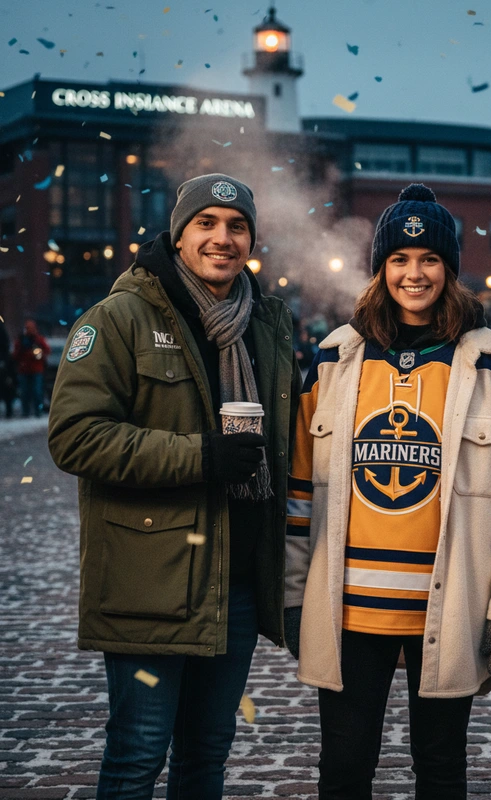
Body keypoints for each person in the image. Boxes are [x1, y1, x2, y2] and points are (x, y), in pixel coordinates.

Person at [284, 184, 491, 799]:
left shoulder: (490, 366)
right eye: (399, 259)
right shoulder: (333, 361)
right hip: (349, 610)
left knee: (441, 768)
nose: (414, 273)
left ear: (449, 270)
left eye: (430, 259)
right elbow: (299, 493)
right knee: (344, 769)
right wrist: (294, 594)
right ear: (381, 269)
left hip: (450, 605)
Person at [48, 173, 301, 800]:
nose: (223, 238)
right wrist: (201, 456)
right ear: (179, 234)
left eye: (237, 226)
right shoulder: (120, 318)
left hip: (237, 583)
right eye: (206, 223)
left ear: (251, 240)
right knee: (137, 756)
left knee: (205, 758)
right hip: (150, 579)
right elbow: (75, 436)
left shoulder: (266, 322)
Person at [13, 318, 50, 417]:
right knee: (25, 392)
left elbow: (47, 350)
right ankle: (26, 411)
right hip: (24, 369)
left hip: (36, 369)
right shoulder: (21, 340)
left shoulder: (38, 339)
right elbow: (15, 355)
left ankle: (38, 411)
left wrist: (39, 354)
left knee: (37, 392)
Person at [0, 317, 16, 417]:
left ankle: (9, 410)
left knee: (6, 388)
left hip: (3, 363)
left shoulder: (1, 330)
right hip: (3, 362)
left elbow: (5, 346)